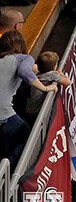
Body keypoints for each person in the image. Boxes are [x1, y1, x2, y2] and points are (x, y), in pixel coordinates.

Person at [0, 32, 58, 164]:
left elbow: (31, 70)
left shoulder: (5, 61)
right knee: (25, 133)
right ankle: (12, 171)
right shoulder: (23, 58)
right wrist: (45, 88)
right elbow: (25, 72)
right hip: (3, 113)